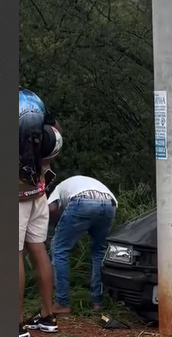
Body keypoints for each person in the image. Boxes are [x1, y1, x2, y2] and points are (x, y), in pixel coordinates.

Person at [19, 86, 62, 337]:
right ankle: (48, 316)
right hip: (38, 190)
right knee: (38, 251)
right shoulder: (33, 98)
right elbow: (55, 135)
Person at [47, 175, 118, 314]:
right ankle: (98, 302)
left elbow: (52, 209)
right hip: (110, 203)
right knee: (99, 251)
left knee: (59, 249)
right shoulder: (78, 182)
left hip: (82, 201)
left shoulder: (57, 190)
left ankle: (62, 303)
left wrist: (56, 229)